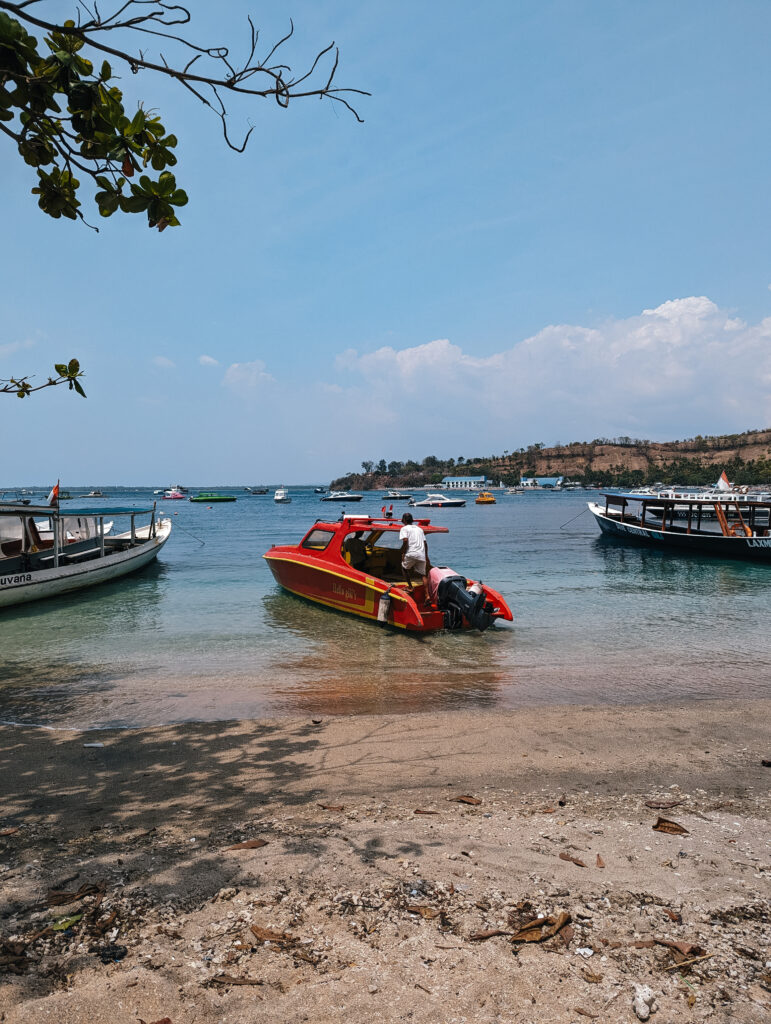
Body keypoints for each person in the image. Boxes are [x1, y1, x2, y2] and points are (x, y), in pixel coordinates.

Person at [399, 512, 428, 591]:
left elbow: (405, 540)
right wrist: (426, 556)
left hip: (411, 553)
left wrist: (403, 552)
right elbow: (425, 543)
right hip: (421, 554)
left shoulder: (404, 528)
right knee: (423, 575)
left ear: (404, 520)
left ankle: (410, 587)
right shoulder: (420, 529)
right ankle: (427, 595)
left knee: (404, 568)